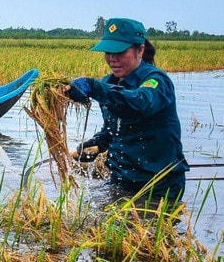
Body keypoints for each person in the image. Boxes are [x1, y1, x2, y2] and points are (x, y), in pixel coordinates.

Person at [68, 18, 188, 202]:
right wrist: (99, 143)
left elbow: (140, 102)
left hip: (158, 187)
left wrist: (95, 88)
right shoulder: (109, 83)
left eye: (120, 52)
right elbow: (115, 127)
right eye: (108, 52)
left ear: (140, 50)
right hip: (120, 180)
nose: (112, 59)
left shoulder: (156, 81)